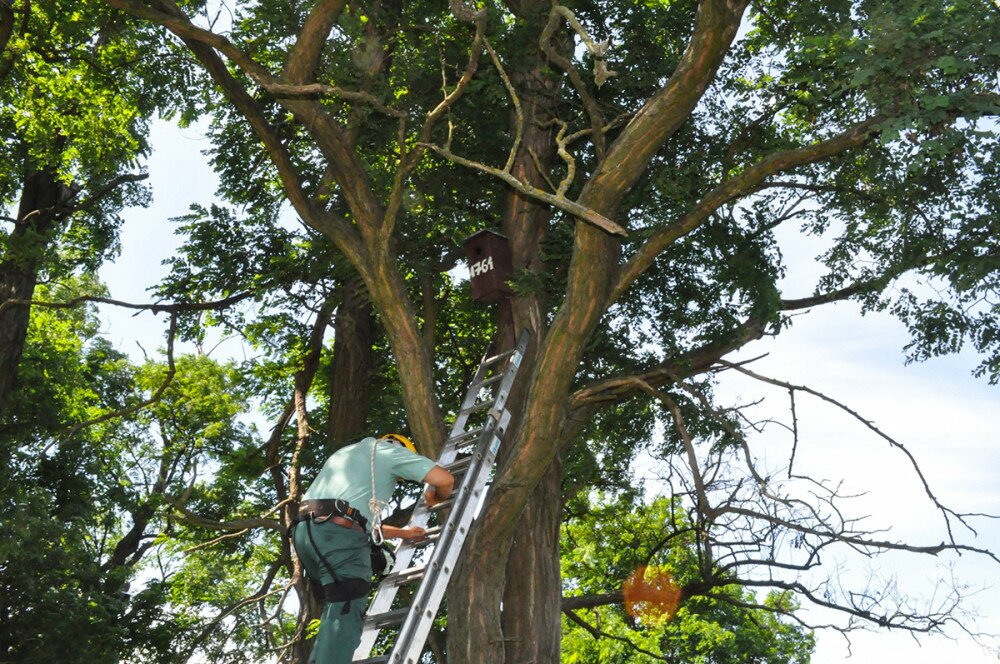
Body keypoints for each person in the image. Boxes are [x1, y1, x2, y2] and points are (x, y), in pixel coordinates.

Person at [292, 433, 454, 664]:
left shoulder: (346, 452)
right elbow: (445, 479)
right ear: (401, 448)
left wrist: (404, 534)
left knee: (336, 612)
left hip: (307, 534)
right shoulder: (389, 451)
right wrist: (436, 496)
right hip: (337, 536)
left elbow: (362, 523)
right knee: (346, 613)